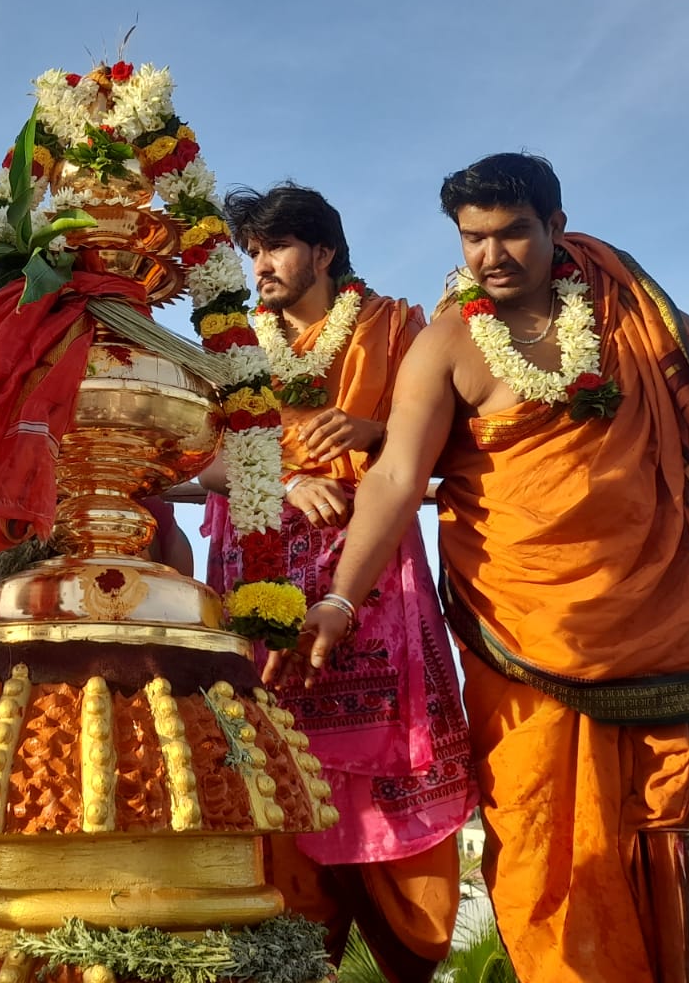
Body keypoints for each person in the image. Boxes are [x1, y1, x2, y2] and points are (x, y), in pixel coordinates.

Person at [283, 153, 689, 981]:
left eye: (513, 232)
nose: (492, 255)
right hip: (525, 627)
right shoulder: (446, 346)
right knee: (549, 845)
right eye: (474, 239)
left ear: (556, 225)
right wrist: (339, 598)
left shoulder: (626, 308)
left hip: (666, 611)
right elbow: (399, 477)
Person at [202, 184, 474, 983]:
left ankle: (408, 949)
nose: (260, 268)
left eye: (275, 248)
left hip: (371, 576)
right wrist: (279, 476)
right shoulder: (229, 348)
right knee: (271, 764)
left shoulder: (395, 326)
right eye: (251, 252)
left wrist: (376, 428)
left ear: (322, 252)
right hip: (258, 575)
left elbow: (448, 431)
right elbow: (194, 454)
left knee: (389, 763)